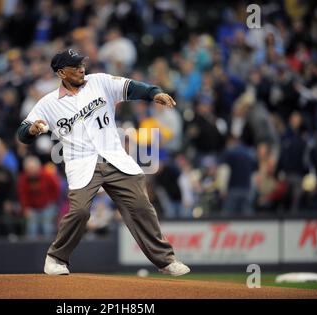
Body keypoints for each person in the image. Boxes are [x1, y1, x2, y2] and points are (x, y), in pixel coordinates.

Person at [17, 49, 190, 276]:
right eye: (75, 66)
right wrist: (32, 129)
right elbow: (22, 133)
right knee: (79, 212)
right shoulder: (48, 103)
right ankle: (56, 258)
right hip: (81, 163)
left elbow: (131, 87)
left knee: (140, 206)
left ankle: (166, 261)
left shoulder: (99, 81)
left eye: (81, 64)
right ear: (61, 72)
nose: (81, 68)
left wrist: (154, 93)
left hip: (114, 157)